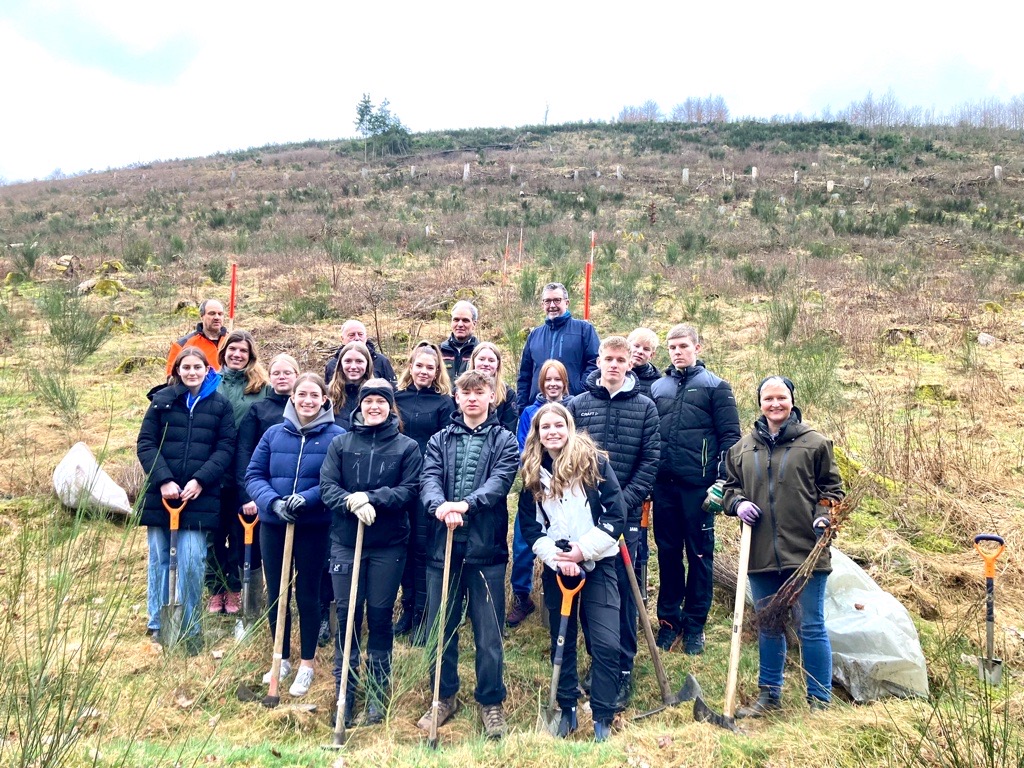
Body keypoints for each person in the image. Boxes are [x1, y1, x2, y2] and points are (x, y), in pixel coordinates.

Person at [722, 376, 844, 716]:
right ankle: (769, 696)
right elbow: (729, 488)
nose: (775, 404)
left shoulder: (815, 443)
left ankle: (819, 701)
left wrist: (823, 517)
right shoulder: (743, 448)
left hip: (806, 551)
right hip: (760, 552)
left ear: (792, 400)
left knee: (811, 626)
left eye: (781, 398)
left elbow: (832, 490)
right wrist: (736, 504)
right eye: (768, 398)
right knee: (769, 625)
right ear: (759, 403)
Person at [417, 370, 519, 740]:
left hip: (486, 549)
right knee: (440, 627)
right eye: (467, 392)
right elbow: (428, 479)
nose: (473, 398)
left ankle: (490, 701)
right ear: (457, 399)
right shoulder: (439, 440)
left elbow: (500, 482)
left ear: (491, 396)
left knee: (488, 633)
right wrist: (440, 506)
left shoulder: (505, 440)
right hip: (442, 548)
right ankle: (443, 697)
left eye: (480, 391)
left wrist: (466, 504)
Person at [517, 402, 626, 742]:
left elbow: (616, 515)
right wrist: (557, 558)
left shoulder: (595, 463)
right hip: (558, 568)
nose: (552, 432)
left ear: (569, 427)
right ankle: (567, 708)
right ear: (538, 433)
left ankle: (603, 715)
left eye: (558, 425)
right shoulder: (532, 474)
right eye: (545, 427)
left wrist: (582, 551)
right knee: (561, 641)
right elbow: (530, 530)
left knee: (607, 642)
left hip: (599, 563)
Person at [320, 379, 422, 726]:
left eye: (381, 401)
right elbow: (327, 486)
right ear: (359, 406)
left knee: (379, 620)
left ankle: (378, 695)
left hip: (388, 545)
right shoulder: (341, 444)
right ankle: (344, 696)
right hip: (346, 543)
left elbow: (409, 490)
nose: (374, 406)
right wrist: (349, 500)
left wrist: (373, 498)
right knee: (348, 620)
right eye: (369, 401)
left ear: (390, 407)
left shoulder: (407, 447)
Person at [567, 335, 660, 710]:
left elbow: (650, 461)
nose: (615, 364)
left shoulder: (645, 407)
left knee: (623, 593)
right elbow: (570, 458)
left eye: (622, 359)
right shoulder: (579, 404)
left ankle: (622, 668)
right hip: (585, 520)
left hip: (626, 519)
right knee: (592, 593)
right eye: (609, 358)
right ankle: (599, 661)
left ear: (629, 364)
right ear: (599, 361)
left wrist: (620, 504)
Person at [245, 372, 345, 697]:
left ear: (324, 400)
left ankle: (307, 663)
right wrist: (272, 502)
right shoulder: (274, 434)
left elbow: (335, 480)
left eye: (314, 396)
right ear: (292, 397)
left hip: (314, 527)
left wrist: (309, 498)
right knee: (277, 593)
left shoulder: (336, 437)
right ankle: (281, 656)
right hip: (274, 527)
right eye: (302, 394)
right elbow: (254, 474)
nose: (307, 401)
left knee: (308, 594)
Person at [137, 347, 236, 655]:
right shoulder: (162, 401)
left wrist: (200, 481)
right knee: (160, 559)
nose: (192, 372)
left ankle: (190, 626)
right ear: (177, 370)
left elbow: (225, 448)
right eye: (186, 367)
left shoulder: (220, 406)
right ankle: (158, 622)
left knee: (192, 562)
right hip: (162, 496)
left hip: (199, 497)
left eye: (198, 367)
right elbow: (146, 443)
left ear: (208, 370)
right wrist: (164, 479)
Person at [649, 324, 741, 654]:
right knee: (668, 553)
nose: (677, 352)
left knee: (699, 555)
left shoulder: (716, 387)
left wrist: (721, 481)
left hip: (699, 489)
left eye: (683, 346)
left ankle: (695, 624)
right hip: (663, 487)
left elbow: (731, 438)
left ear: (697, 348)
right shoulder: (658, 387)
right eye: (672, 347)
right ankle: (668, 621)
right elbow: (650, 436)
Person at [393, 342, 456, 642]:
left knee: (421, 547)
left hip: (427, 483)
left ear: (437, 372)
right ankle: (406, 608)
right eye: (419, 366)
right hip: (397, 480)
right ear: (411, 366)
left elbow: (445, 445)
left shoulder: (444, 403)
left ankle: (422, 612)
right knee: (401, 546)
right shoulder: (396, 397)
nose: (424, 371)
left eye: (430, 368)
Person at [233, 353, 299, 628]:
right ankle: (257, 608)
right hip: (263, 497)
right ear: (269, 378)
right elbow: (244, 453)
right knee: (263, 556)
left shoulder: (306, 407)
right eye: (277, 373)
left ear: (297, 375)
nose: (282, 377)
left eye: (288, 373)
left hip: (298, 497)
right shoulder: (259, 410)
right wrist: (249, 496)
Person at [507, 359, 572, 628]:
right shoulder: (528, 414)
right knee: (524, 543)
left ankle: (563, 594)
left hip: (567, 489)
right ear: (541, 383)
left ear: (565, 383)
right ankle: (522, 596)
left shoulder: (574, 407)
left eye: (558, 379)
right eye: (548, 379)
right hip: (536, 486)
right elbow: (525, 449)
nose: (553, 384)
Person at [208, 330, 269, 615]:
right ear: (223, 353)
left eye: (243, 351)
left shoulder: (260, 387)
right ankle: (215, 588)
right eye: (232, 350)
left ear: (250, 356)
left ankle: (234, 588)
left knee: (239, 532)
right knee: (213, 534)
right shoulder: (211, 383)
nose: (237, 355)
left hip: (245, 470)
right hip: (213, 470)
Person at [515, 282, 600, 411]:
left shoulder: (584, 330)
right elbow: (525, 375)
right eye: (548, 301)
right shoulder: (534, 335)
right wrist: (522, 407)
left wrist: (580, 389)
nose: (552, 305)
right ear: (542, 304)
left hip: (574, 407)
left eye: (557, 300)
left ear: (567, 303)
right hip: (538, 407)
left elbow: (594, 363)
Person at [165, 299, 228, 377]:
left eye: (220, 314)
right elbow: (171, 377)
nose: (217, 317)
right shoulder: (181, 345)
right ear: (202, 316)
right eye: (212, 313)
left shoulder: (232, 342)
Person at [467, 341, 518, 434]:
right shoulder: (461, 391)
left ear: (498, 364)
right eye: (481, 359)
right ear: (474, 361)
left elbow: (509, 429)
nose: (486, 364)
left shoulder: (507, 394)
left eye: (491, 360)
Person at [325, 319, 396, 385]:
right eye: (351, 335)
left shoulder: (381, 361)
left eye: (360, 334)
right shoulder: (332, 365)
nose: (357, 338)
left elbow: (392, 390)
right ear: (342, 339)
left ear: (366, 337)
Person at [327, 341, 374, 428]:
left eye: (359, 361)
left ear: (367, 364)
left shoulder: (378, 395)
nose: (353, 366)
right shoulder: (327, 395)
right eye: (348, 361)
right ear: (340, 364)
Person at [439, 300, 479, 380]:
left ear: (474, 324)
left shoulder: (480, 353)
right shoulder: (439, 351)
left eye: (465, 320)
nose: (460, 324)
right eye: (456, 320)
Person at [627, 327, 662, 399]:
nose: (640, 351)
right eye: (636, 346)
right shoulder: (613, 373)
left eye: (646, 349)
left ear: (652, 355)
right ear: (627, 346)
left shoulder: (657, 384)